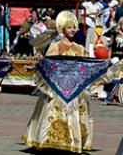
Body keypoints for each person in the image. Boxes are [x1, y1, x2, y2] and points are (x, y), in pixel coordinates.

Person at [22, 11, 93, 153]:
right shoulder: (56, 46)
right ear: (62, 29)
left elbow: (84, 68)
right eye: (69, 27)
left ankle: (71, 141)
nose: (72, 30)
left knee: (73, 115)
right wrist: (36, 66)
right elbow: (47, 64)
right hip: (57, 87)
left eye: (74, 27)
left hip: (73, 88)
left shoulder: (79, 48)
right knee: (54, 113)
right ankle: (51, 140)